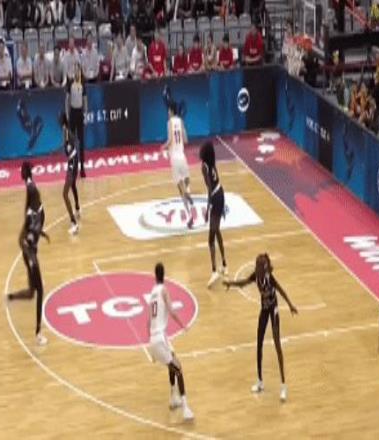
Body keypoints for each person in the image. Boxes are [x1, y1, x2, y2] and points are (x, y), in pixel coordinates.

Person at [224, 253, 298, 402]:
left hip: (273, 310)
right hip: (264, 309)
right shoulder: (256, 276)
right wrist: (231, 284)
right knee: (259, 344)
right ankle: (260, 381)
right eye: (255, 264)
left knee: (277, 346)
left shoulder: (270, 278)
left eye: (258, 265)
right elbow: (243, 283)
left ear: (263, 267)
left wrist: (290, 305)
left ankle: (283, 386)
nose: (255, 267)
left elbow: (281, 291)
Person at [7, 162, 50, 346]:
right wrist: (32, 260)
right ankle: (38, 333)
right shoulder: (32, 213)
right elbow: (26, 239)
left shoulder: (34, 209)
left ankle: (10, 298)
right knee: (40, 291)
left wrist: (42, 233)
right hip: (29, 253)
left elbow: (31, 230)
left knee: (32, 292)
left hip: (28, 250)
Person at [147, 262, 194, 421]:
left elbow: (148, 321)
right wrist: (183, 325)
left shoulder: (152, 293)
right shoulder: (164, 290)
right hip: (160, 338)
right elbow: (172, 311)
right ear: (164, 275)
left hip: (154, 338)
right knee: (178, 368)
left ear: (155, 276)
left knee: (172, 357)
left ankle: (174, 397)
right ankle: (186, 408)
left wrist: (151, 350)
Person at [161, 102, 194, 229]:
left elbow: (170, 140)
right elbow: (186, 140)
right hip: (182, 157)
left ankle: (189, 215)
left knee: (181, 191)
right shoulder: (181, 121)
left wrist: (163, 147)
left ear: (171, 111)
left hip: (174, 159)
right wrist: (183, 129)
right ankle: (188, 192)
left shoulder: (169, 123)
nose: (167, 113)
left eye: (168, 111)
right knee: (187, 181)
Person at [199, 141, 227, 287]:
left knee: (211, 238)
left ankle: (214, 270)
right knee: (217, 231)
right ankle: (225, 265)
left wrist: (208, 209)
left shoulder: (204, 167)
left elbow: (209, 189)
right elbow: (216, 182)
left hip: (215, 197)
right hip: (221, 193)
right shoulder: (212, 163)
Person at [59, 112, 80, 235]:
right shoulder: (66, 131)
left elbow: (70, 147)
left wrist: (68, 151)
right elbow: (70, 145)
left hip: (72, 163)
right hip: (73, 161)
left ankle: (74, 223)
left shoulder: (66, 132)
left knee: (64, 194)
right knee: (72, 185)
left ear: (61, 122)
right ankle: (77, 208)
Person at [69, 69, 86, 177]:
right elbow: (67, 99)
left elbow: (85, 99)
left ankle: (82, 167)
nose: (76, 73)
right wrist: (67, 114)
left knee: (81, 142)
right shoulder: (70, 84)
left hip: (80, 113)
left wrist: (85, 113)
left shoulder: (82, 83)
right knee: (71, 143)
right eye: (75, 71)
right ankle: (72, 168)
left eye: (78, 72)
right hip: (72, 113)